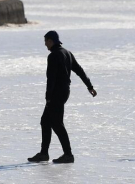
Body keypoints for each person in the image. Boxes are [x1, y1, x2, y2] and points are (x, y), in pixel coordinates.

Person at [29, 31, 97, 164]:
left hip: (56, 93)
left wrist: (48, 96)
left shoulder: (54, 56)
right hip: (64, 91)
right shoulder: (67, 53)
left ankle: (68, 154)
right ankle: (44, 153)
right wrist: (89, 86)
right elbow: (79, 70)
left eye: (46, 41)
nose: (45, 44)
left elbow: (51, 78)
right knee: (45, 121)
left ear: (51, 41)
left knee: (56, 123)